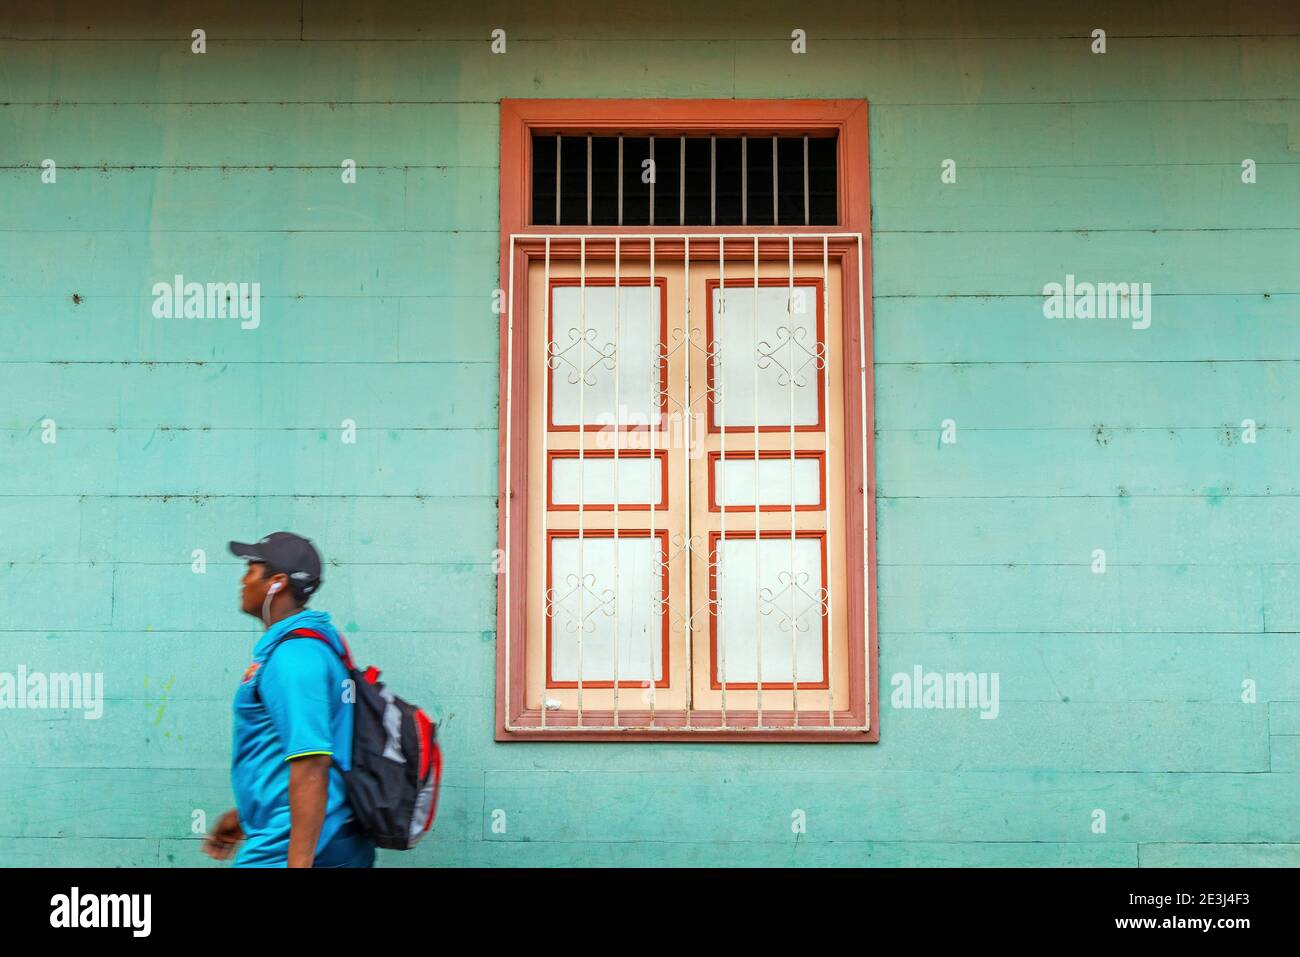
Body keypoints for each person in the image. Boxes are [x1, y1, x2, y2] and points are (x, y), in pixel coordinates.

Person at [202, 532, 375, 868]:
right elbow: (287, 749)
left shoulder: (294, 657)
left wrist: (297, 863)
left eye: (251, 569)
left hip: (291, 847)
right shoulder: (309, 647)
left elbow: (311, 764)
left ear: (276, 583)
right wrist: (245, 816)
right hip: (321, 836)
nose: (243, 579)